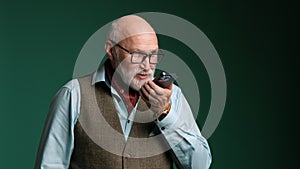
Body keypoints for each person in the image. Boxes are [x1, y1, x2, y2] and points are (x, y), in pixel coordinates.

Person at [35, 15, 212, 169]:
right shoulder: (73, 95)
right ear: (111, 50)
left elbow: (200, 165)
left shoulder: (173, 97)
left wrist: (165, 114)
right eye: (137, 55)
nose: (147, 66)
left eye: (153, 55)